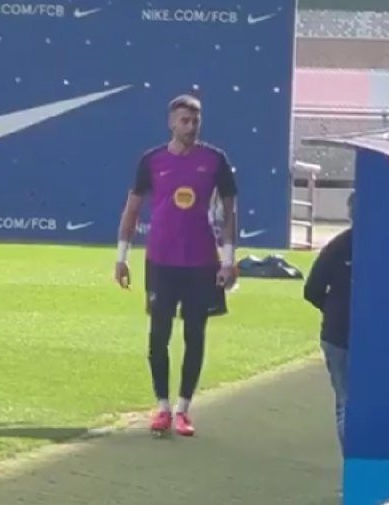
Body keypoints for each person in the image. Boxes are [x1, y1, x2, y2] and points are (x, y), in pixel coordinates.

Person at [114, 93, 238, 437]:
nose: (191, 126)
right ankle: (162, 406)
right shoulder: (152, 161)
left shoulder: (215, 160)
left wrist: (228, 260)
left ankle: (183, 408)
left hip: (201, 263)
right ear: (171, 123)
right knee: (159, 336)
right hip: (161, 261)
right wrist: (121, 258)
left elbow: (230, 212)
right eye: (184, 120)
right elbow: (132, 209)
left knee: (195, 335)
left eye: (195, 121)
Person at [303, 191, 354, 449]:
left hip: (338, 333)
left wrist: (333, 310)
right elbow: (312, 289)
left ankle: (352, 459)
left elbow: (312, 290)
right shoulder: (343, 247)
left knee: (345, 400)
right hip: (341, 336)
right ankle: (355, 458)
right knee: (349, 400)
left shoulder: (338, 246)